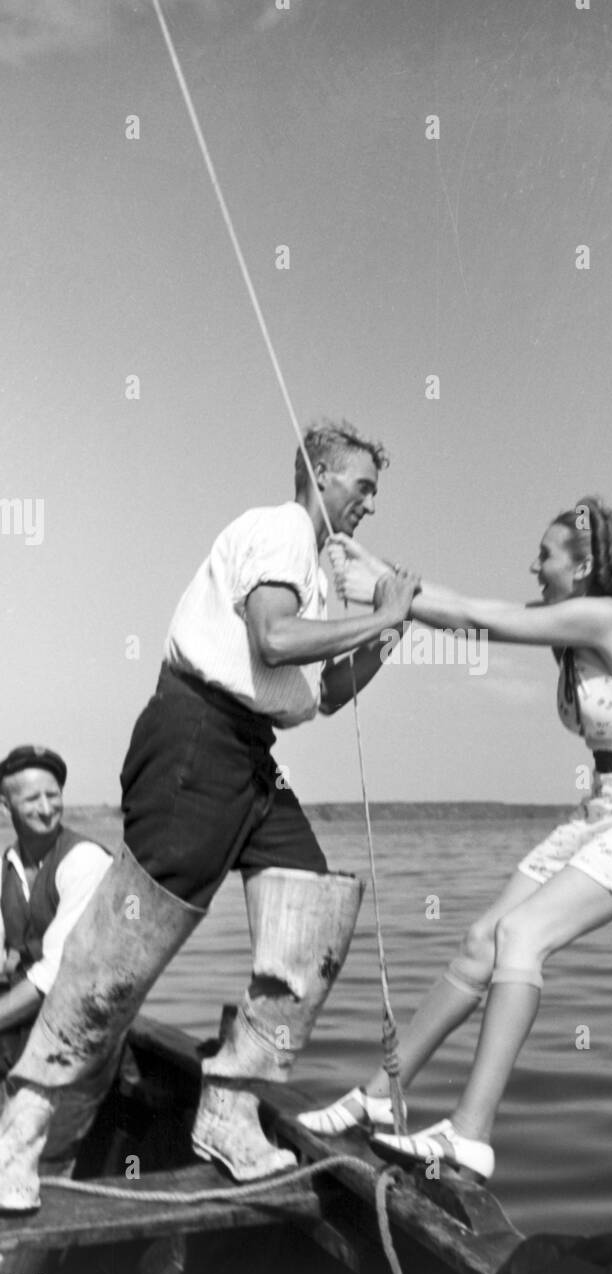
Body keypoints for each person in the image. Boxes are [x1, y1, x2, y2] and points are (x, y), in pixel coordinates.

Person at [0, 420, 419, 1213]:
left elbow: (317, 692)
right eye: (362, 486)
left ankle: (227, 1109)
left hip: (250, 751)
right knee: (123, 948)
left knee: (312, 915)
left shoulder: (313, 570)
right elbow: (273, 639)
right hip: (194, 737)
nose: (370, 503)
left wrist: (386, 631)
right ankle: (21, 1130)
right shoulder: (280, 529)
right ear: (320, 474)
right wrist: (380, 610)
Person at [300, 498, 612, 1181]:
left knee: (522, 938)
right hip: (610, 802)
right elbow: (463, 605)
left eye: (545, 554)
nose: (533, 564)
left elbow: (471, 617)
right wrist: (375, 568)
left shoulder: (603, 618)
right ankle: (378, 1096)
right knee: (479, 941)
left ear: (581, 566)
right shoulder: (566, 625)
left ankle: (470, 1134)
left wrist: (381, 590)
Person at [0, 747, 111, 1077]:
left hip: (79, 1039)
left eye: (53, 795)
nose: (47, 809)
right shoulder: (7, 865)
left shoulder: (85, 861)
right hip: (24, 1024)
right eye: (33, 799)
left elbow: (56, 974)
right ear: (6, 808)